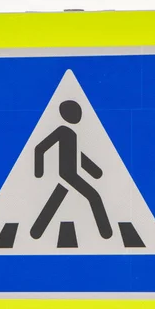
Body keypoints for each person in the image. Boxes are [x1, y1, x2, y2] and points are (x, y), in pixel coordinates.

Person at [30, 99, 113, 240]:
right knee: (94, 197)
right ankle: (106, 233)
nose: (79, 116)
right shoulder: (63, 131)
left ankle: (35, 232)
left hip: (69, 174)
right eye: (76, 113)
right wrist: (39, 171)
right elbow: (40, 148)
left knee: (55, 200)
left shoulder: (71, 133)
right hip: (67, 174)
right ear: (67, 115)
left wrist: (94, 171)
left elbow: (76, 155)